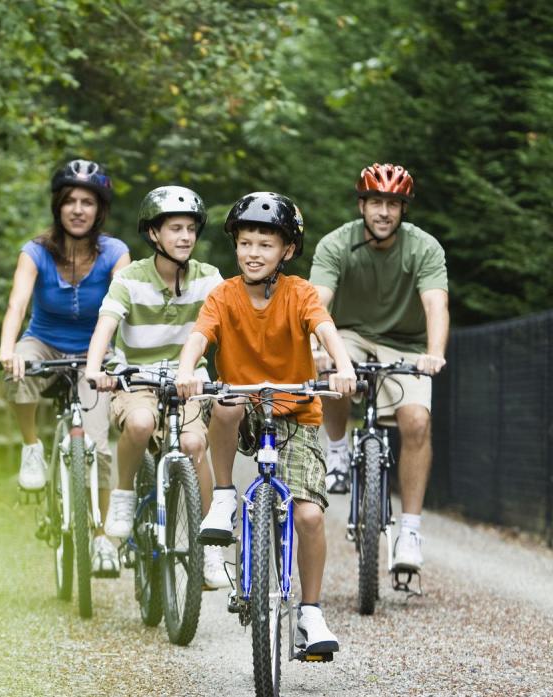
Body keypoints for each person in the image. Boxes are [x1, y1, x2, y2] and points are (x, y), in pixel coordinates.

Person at [175, 191, 357, 655]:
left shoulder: (300, 293)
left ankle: (311, 612)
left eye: (265, 244)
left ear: (287, 251)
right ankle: (221, 498)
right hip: (245, 409)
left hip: (294, 413)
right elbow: (199, 337)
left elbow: (324, 328)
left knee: (309, 513)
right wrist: (185, 369)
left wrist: (342, 364)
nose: (253, 253)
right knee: (227, 400)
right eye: (245, 242)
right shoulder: (224, 295)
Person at [309, 163, 448, 572]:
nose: (384, 212)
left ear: (403, 209)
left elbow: (435, 304)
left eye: (393, 203)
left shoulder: (424, 247)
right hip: (348, 334)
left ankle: (410, 531)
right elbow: (318, 303)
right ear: (361, 205)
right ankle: (336, 453)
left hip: (405, 343)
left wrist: (434, 352)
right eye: (376, 203)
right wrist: (319, 347)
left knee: (416, 422)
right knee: (332, 375)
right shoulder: (337, 244)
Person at [85, 185, 226, 588]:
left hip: (187, 380)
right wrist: (96, 369)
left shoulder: (208, 278)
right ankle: (125, 497)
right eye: (175, 228)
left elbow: (233, 324)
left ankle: (210, 548)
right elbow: (105, 327)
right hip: (136, 380)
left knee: (196, 445)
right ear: (153, 234)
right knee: (142, 422)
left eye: (191, 229)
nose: (185, 237)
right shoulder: (129, 279)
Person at [0, 158, 130, 576]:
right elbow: (18, 303)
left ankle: (101, 538)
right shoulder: (35, 251)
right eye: (70, 201)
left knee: (99, 447)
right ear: (58, 206)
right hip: (47, 343)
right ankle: (32, 446)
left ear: (99, 209)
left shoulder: (115, 253)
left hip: (95, 353)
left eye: (87, 202)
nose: (78, 209)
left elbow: (126, 308)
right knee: (19, 370)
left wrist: (119, 359)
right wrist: (9, 349)